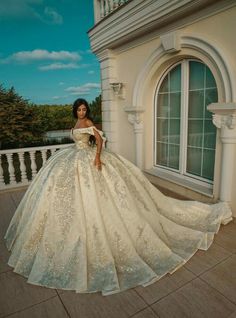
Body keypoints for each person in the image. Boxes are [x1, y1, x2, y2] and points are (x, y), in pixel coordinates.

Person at [4, 98, 232, 296]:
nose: (82, 112)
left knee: (103, 194)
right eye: (79, 109)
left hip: (89, 158)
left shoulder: (89, 123)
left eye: (84, 109)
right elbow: (79, 140)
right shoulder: (76, 123)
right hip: (74, 157)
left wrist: (97, 158)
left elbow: (100, 140)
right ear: (75, 111)